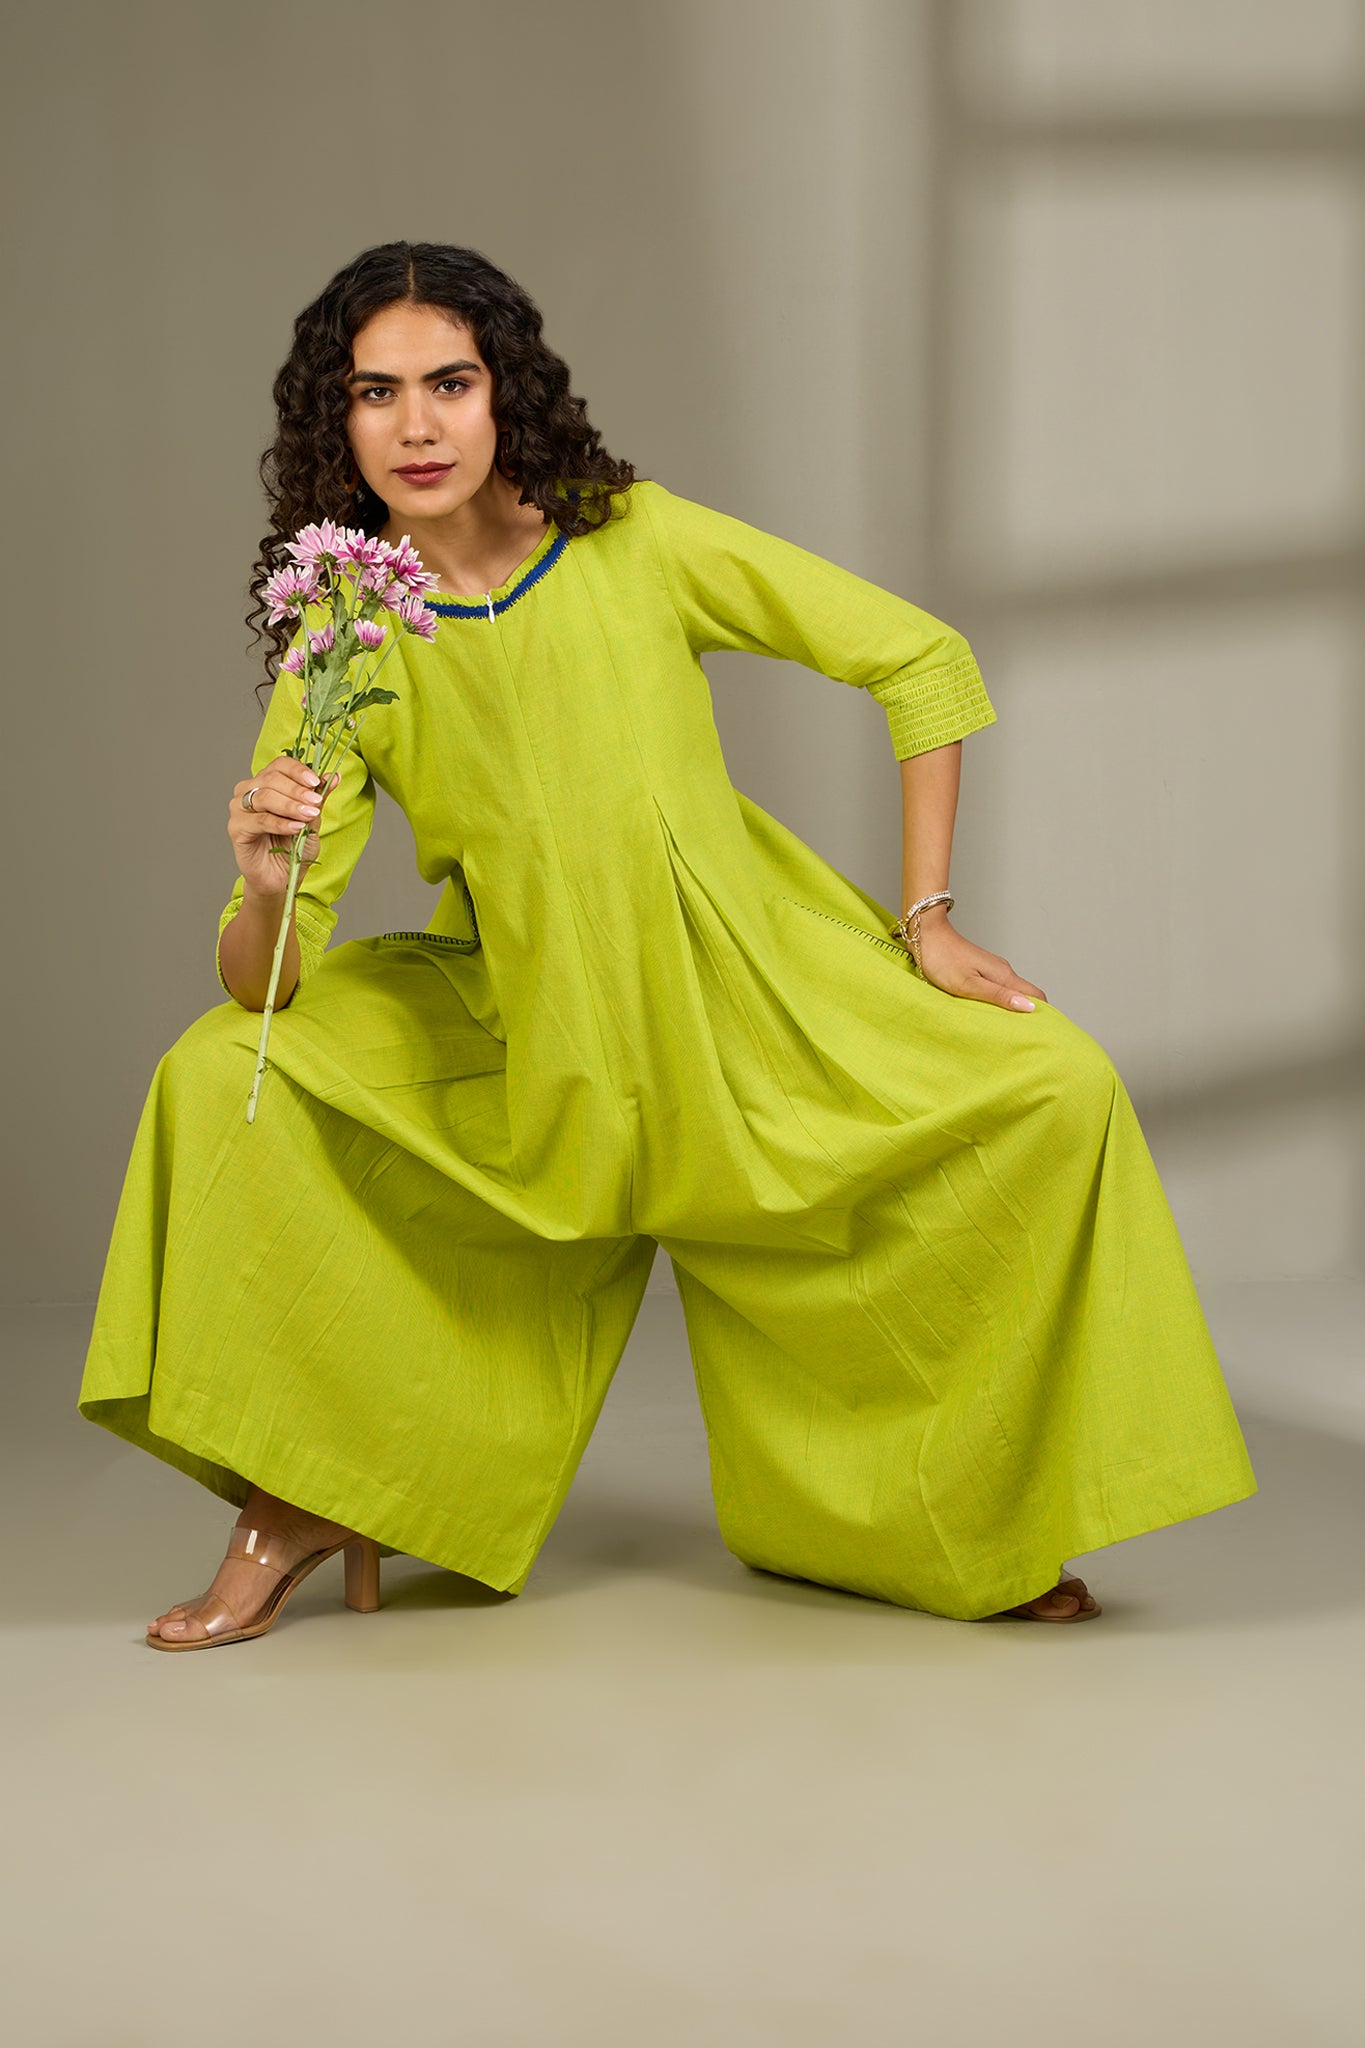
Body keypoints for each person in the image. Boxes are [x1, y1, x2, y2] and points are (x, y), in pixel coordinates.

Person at [78, 241, 1257, 1650]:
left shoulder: (629, 536)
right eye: (375, 392)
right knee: (221, 1073)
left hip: (742, 989)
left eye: (450, 382)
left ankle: (959, 1519)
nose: (417, 426)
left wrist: (927, 921)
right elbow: (265, 985)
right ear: (334, 422)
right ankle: (306, 1500)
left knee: (1054, 1088)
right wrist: (267, 881)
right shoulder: (344, 630)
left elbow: (919, 658)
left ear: (505, 393)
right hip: (531, 1033)